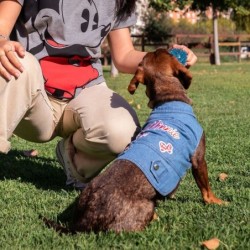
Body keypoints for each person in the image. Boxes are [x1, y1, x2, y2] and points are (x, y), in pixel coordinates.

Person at [0, 0, 197, 189]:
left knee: (123, 131)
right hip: (32, 99)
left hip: (84, 93)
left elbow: (124, 55)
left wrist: (165, 58)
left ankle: (74, 158)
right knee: (15, 60)